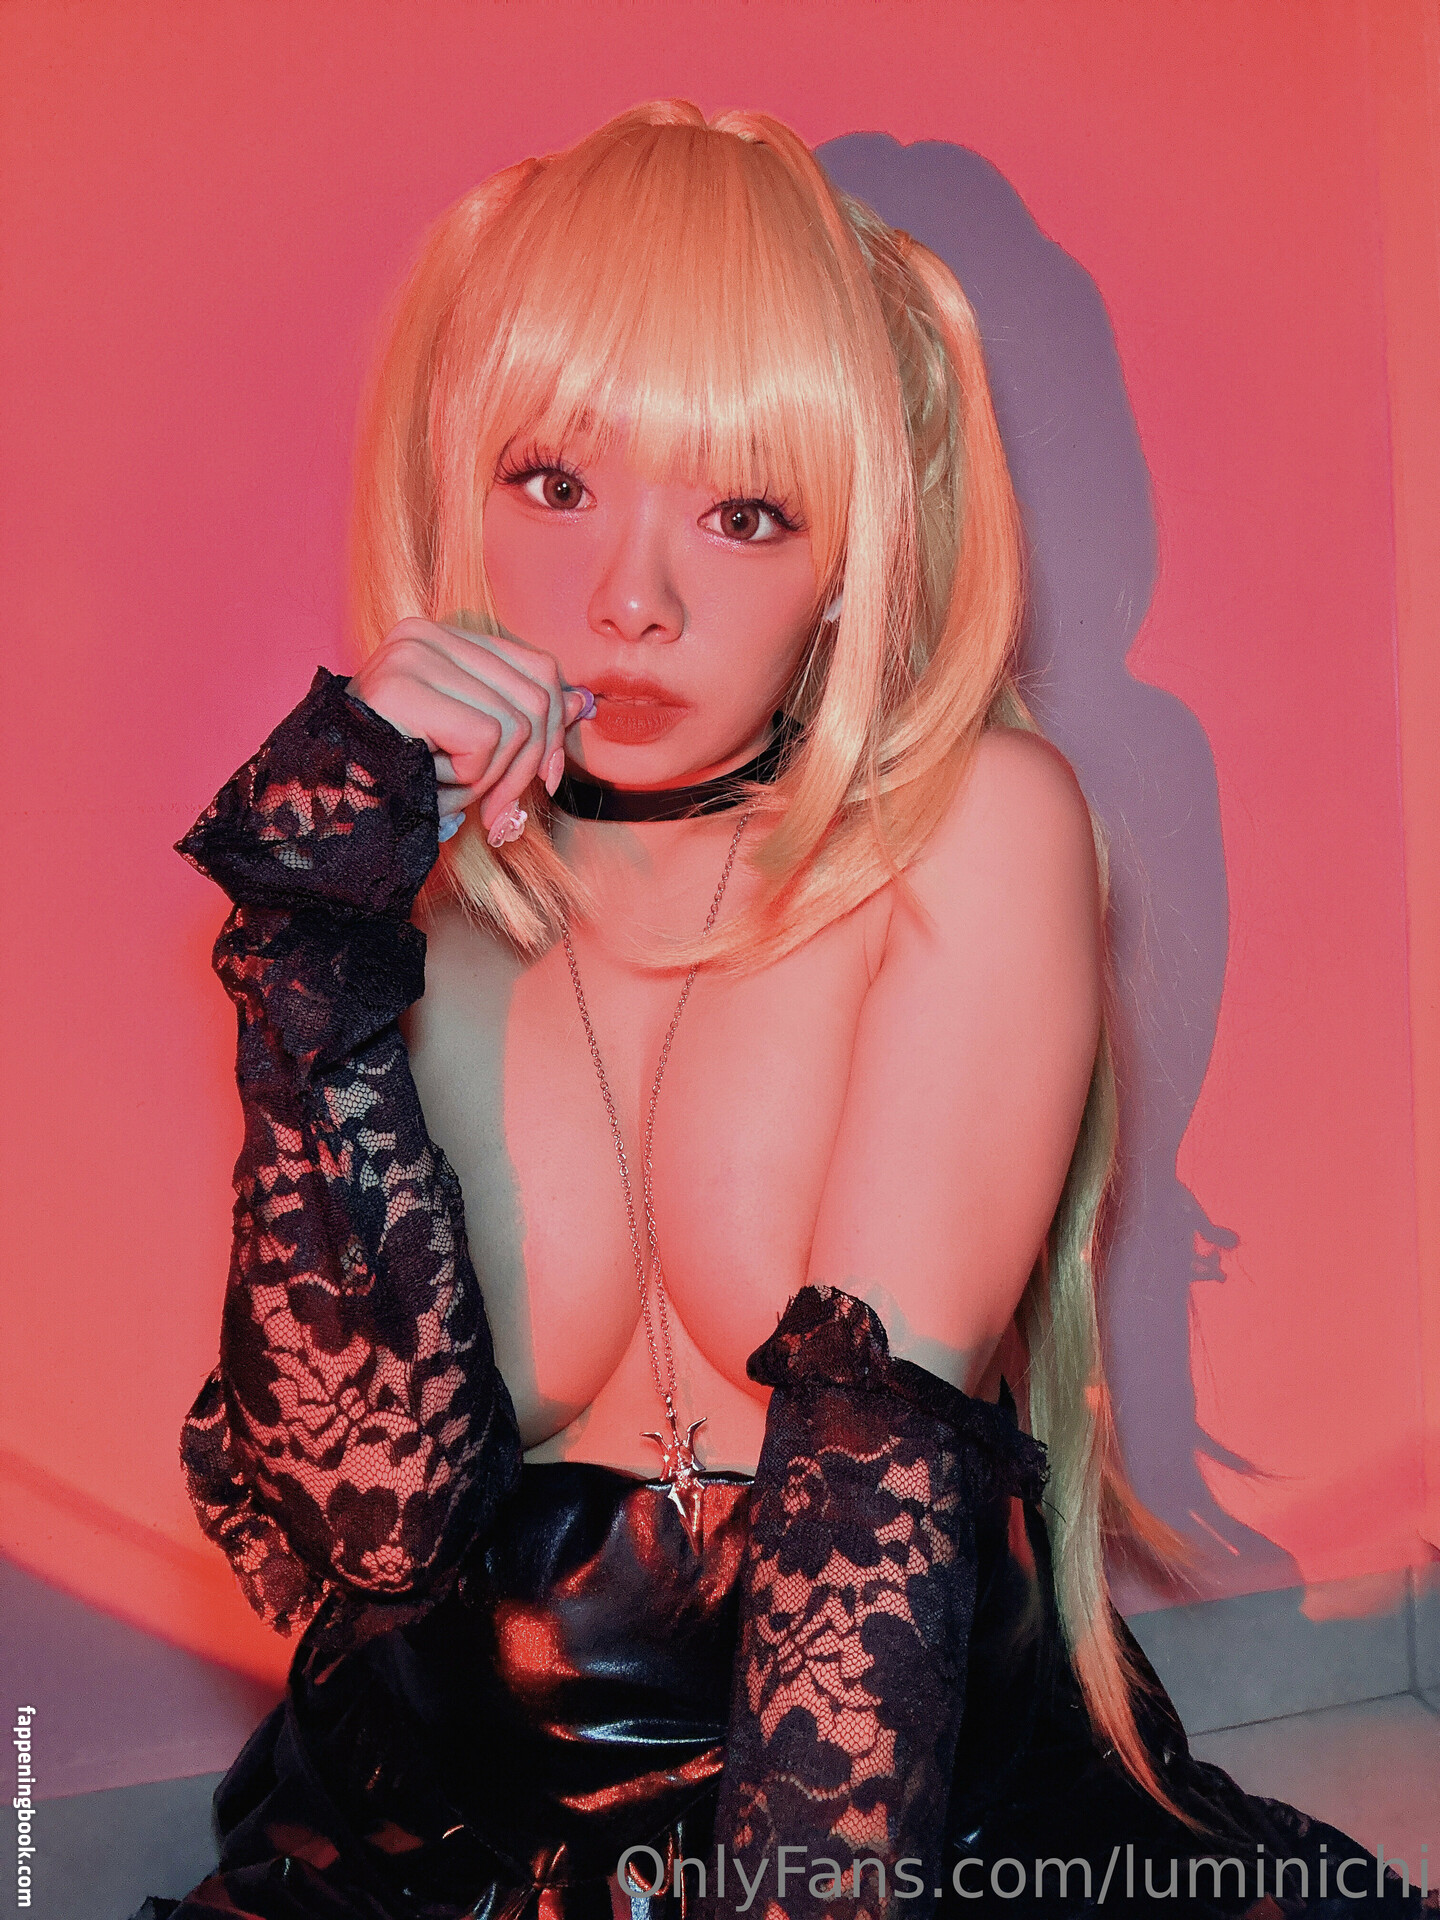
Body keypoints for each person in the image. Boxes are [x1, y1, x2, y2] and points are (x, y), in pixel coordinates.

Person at [132, 103, 1431, 1920]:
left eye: (745, 513)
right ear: (453, 486)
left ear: (848, 559)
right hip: (440, 1841)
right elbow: (369, 1513)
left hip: (883, 1830)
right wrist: (313, 931)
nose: (633, 600)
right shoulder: (394, 905)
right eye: (555, 483)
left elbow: (858, 1608)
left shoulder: (970, 837)